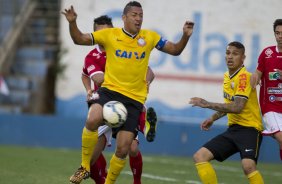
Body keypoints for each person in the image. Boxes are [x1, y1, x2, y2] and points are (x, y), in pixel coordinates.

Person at [62, 1, 194, 183]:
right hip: (110, 91)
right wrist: (72, 23)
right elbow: (79, 39)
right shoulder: (109, 35)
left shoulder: (150, 37)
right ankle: (84, 167)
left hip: (133, 100)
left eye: (140, 15)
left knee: (124, 149)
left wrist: (185, 36)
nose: (138, 19)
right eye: (134, 15)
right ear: (124, 18)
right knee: (92, 118)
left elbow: (175, 50)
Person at [81, 15, 157, 184]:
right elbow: (90, 76)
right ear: (95, 34)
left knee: (131, 147)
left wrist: (146, 81)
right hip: (104, 105)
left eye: (108, 30)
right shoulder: (92, 56)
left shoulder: (123, 47)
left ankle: (137, 181)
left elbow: (149, 71)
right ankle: (99, 177)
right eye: (100, 32)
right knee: (92, 159)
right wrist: (88, 89)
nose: (104, 34)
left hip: (126, 104)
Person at [189, 41, 264, 184]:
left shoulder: (244, 77)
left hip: (250, 129)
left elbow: (237, 107)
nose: (230, 57)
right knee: (200, 156)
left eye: (235, 54)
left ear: (243, 58)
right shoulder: (227, 76)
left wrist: (206, 104)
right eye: (228, 53)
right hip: (233, 129)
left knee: (248, 166)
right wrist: (213, 117)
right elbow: (230, 104)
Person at [250, 19, 282, 161]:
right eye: (277, 33)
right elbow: (258, 72)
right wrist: (255, 78)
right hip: (270, 107)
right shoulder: (267, 53)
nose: (280, 36)